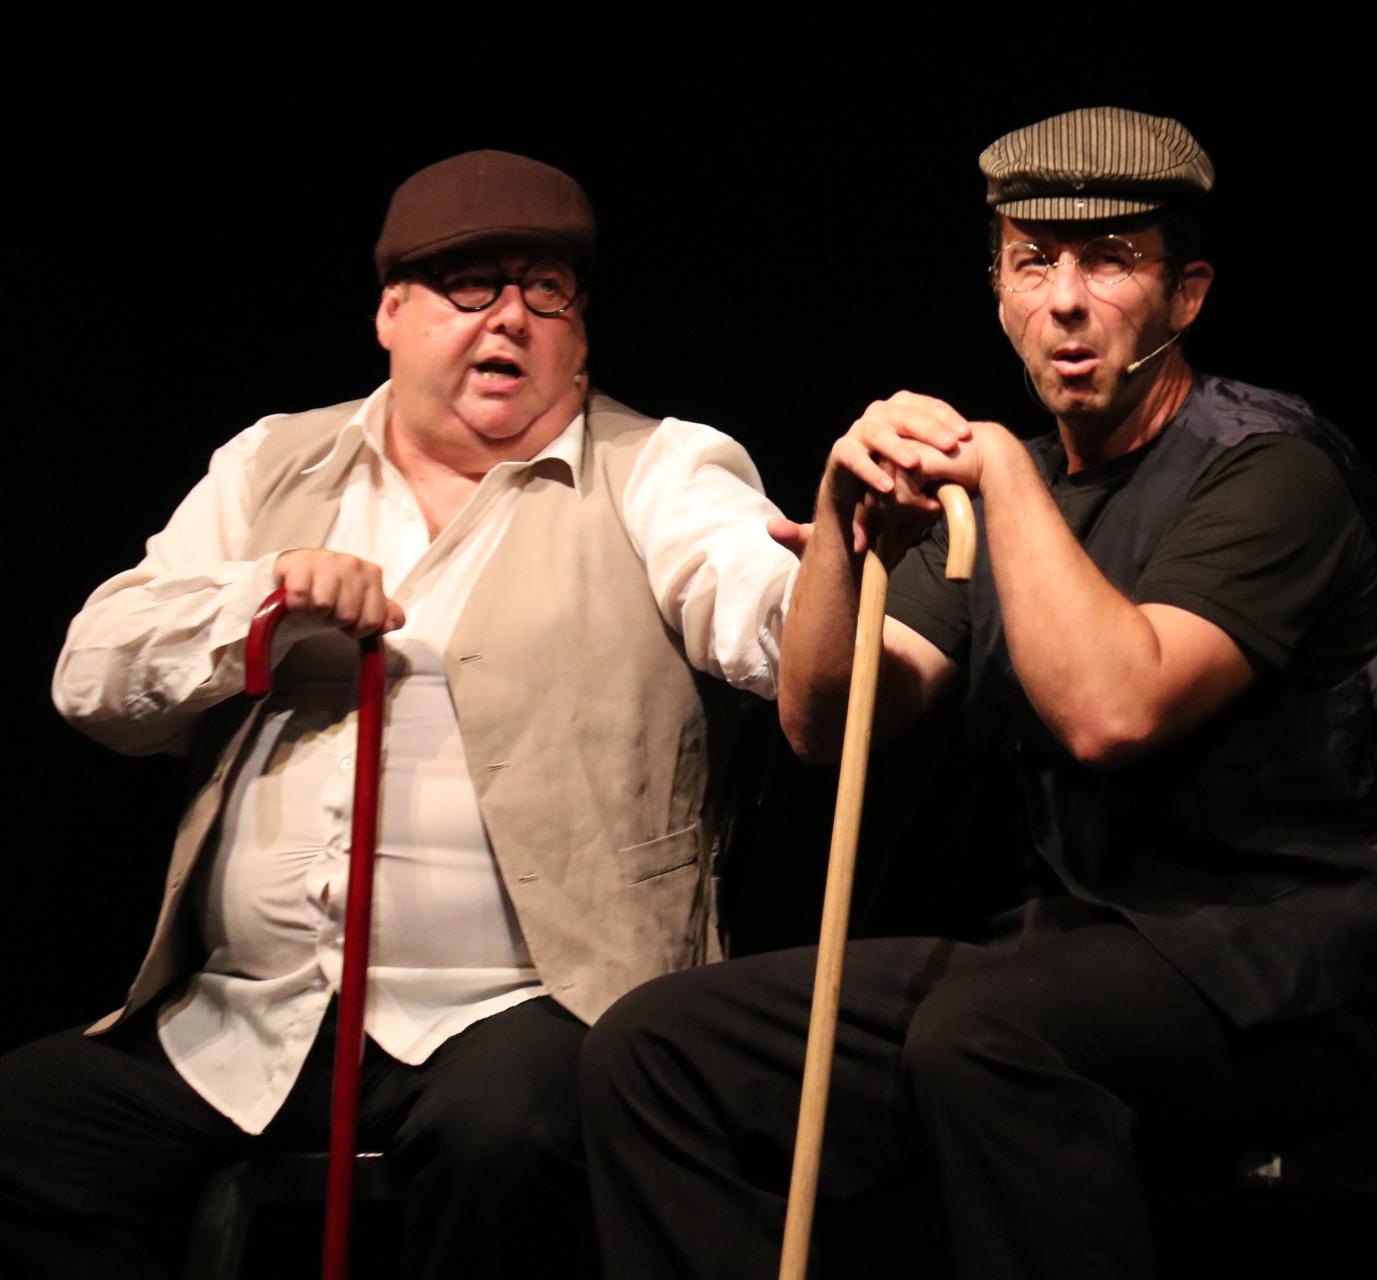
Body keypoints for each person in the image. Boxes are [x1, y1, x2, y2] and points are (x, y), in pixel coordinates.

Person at [580, 107, 1377, 1278]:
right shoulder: (1013, 485)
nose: (1065, 301)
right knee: (657, 1046)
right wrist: (837, 516)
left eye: (1109, 261)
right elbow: (828, 721)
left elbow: (1111, 709)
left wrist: (997, 473)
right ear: (997, 292)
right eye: (1034, 262)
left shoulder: (1271, 470)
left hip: (1281, 975)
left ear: (1185, 295)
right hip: (1070, 958)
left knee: (983, 1034)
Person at [0, 149, 796, 1278]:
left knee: (511, 1137)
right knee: (27, 1121)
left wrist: (833, 588)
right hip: (248, 1016)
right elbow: (92, 680)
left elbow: (763, 608)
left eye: (547, 288)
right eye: (469, 283)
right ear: (390, 311)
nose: (510, 317)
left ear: (579, 327)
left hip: (531, 1009)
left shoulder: (660, 469)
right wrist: (263, 603)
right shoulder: (271, 462)